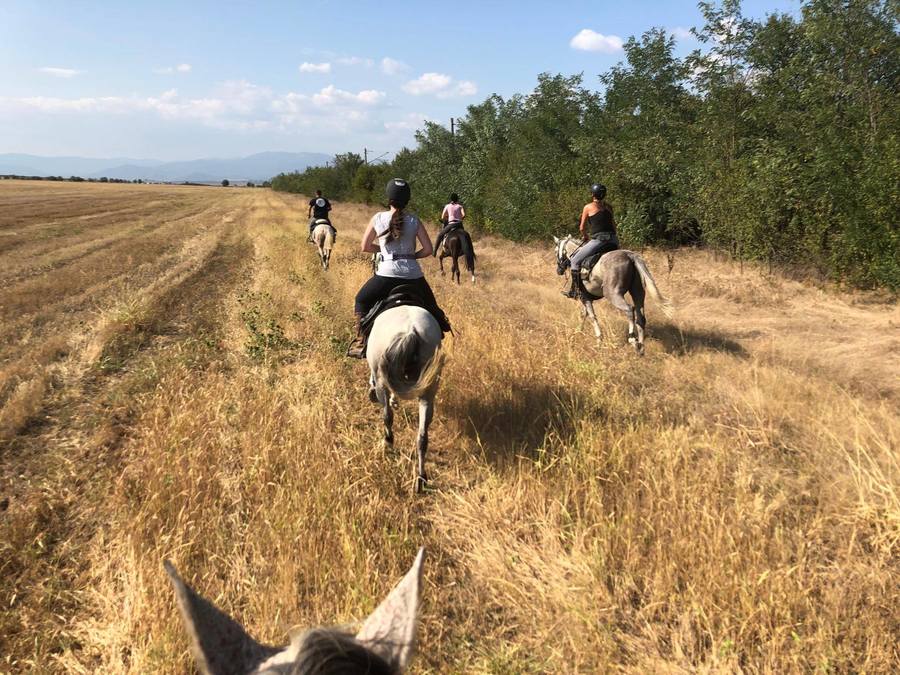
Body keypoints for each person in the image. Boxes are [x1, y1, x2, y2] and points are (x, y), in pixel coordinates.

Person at [347, 178, 450, 359]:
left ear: (388, 198)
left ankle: (361, 341)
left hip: (386, 275)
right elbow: (428, 250)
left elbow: (365, 246)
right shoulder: (414, 220)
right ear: (407, 199)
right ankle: (441, 330)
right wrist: (411, 256)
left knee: (361, 300)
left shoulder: (378, 218)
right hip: (414, 277)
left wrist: (384, 251)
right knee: (433, 307)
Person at [563, 183, 620, 299]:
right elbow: (614, 227)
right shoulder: (609, 207)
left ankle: (575, 291)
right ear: (604, 195)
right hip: (614, 241)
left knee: (574, 260)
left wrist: (585, 237)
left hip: (599, 241)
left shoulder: (588, 207)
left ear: (592, 194)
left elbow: (581, 228)